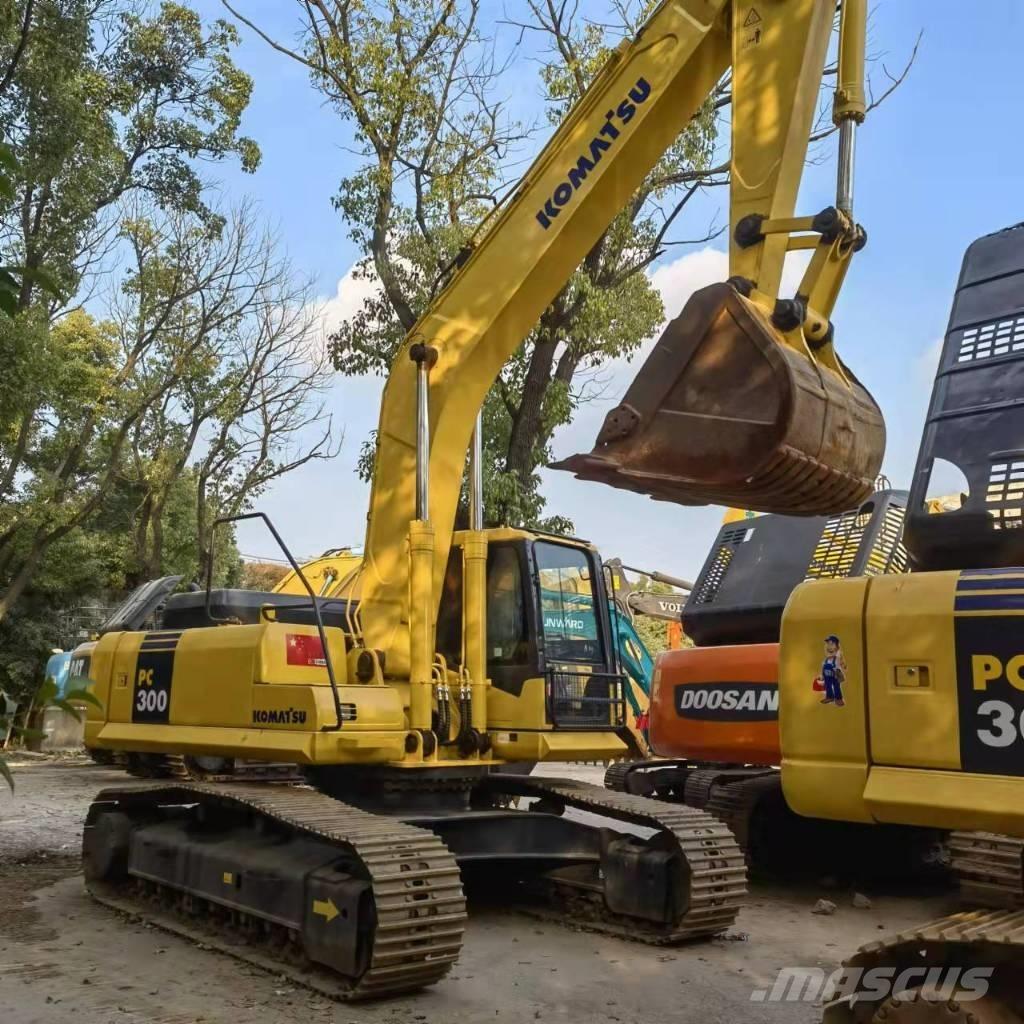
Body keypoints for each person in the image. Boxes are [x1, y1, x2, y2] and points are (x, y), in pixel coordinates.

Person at [820, 634, 846, 707]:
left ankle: (839, 698)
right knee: (827, 685)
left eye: (831, 644)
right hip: (827, 675)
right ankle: (829, 697)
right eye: (828, 644)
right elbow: (823, 667)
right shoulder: (826, 659)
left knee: (836, 686)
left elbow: (841, 661)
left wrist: (843, 665)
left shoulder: (838, 656)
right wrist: (822, 675)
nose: (829, 646)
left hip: (835, 674)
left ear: (837, 646)